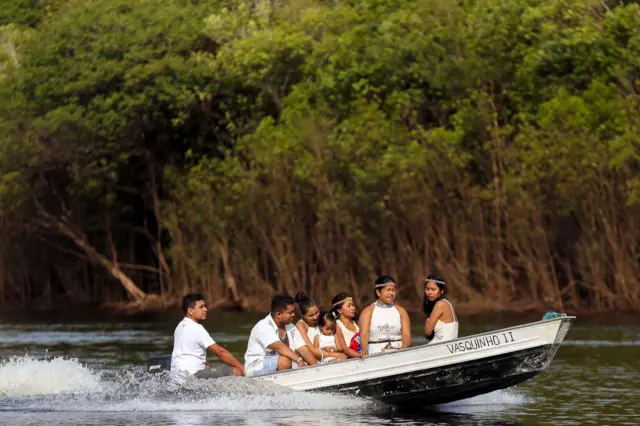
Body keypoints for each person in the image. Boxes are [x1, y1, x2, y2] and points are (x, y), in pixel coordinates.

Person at [171, 293, 244, 379]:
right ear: (190, 311)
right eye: (201, 307)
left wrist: (204, 363)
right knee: (237, 371)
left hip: (177, 376)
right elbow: (220, 352)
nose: (205, 309)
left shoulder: (180, 326)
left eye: (205, 306)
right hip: (193, 375)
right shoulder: (197, 328)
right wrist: (242, 368)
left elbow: (187, 352)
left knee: (210, 367)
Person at [244, 293, 317, 377]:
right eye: (290, 312)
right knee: (284, 361)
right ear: (278, 314)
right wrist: (299, 360)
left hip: (284, 364)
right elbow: (279, 347)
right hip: (255, 368)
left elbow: (303, 349)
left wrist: (316, 368)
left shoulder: (291, 326)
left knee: (308, 366)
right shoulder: (263, 326)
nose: (293, 315)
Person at [359, 275, 411, 356]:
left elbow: (406, 335)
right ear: (378, 292)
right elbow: (364, 334)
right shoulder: (368, 311)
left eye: (393, 290)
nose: (391, 293)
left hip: (399, 352)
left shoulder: (401, 311)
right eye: (388, 290)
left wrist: (403, 348)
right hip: (375, 353)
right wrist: (364, 349)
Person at [294, 292, 335, 362]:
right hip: (312, 360)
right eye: (311, 315)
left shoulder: (322, 318)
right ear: (302, 315)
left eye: (317, 312)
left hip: (330, 353)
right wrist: (333, 355)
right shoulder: (301, 325)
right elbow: (311, 349)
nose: (316, 317)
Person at [423, 274, 458, 344]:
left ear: (442, 291)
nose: (429, 292)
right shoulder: (446, 303)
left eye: (433, 289)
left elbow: (428, 331)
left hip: (442, 344)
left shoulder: (440, 304)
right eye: (427, 289)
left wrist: (427, 324)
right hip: (446, 344)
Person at [331, 292, 362, 358]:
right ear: (339, 310)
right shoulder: (337, 325)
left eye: (353, 305)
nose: (352, 308)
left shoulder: (357, 322)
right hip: (351, 358)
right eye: (348, 306)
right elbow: (344, 348)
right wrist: (360, 356)